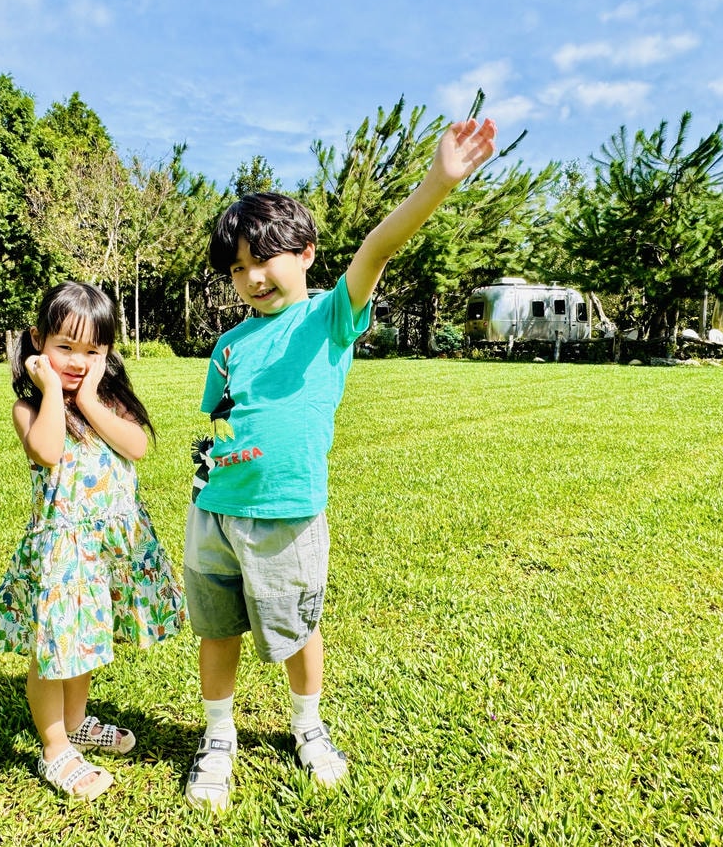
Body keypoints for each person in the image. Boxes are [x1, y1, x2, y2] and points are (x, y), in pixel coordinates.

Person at [183, 116, 498, 810]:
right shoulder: (229, 343)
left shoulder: (330, 316)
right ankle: (218, 736)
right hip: (214, 512)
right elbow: (222, 414)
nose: (250, 277)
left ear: (306, 254)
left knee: (298, 629)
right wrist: (215, 462)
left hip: (287, 514)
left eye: (263, 258)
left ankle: (307, 725)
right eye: (236, 268)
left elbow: (378, 247)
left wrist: (437, 183)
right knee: (217, 629)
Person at [0, 281, 186, 802]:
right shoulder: (30, 408)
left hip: (106, 549)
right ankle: (54, 747)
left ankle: (74, 724)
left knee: (86, 642)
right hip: (63, 551)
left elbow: (136, 447)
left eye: (93, 351)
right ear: (38, 342)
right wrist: (55, 392)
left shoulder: (110, 403)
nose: (78, 361)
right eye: (65, 347)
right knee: (54, 649)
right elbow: (48, 451)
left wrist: (90, 399)